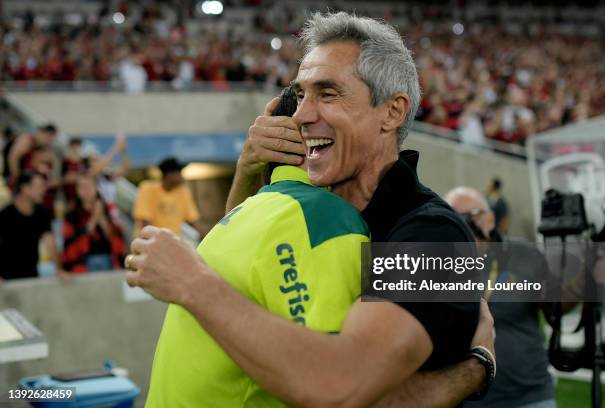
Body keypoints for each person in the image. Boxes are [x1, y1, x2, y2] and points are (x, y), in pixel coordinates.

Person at [127, 12, 491, 407]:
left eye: (327, 93)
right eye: (301, 95)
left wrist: (191, 281)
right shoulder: (314, 210)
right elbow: (248, 284)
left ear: (392, 111)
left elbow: (344, 388)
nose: (301, 115)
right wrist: (249, 168)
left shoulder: (435, 235)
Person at [445, 187, 556, 408]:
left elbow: (557, 309)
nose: (464, 223)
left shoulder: (524, 253)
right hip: (466, 398)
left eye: (472, 214)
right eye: (454, 217)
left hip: (529, 395)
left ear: (490, 219)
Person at [0, 171, 63, 280]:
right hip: (6, 279)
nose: (43, 190)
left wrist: (59, 269)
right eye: (38, 187)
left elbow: (50, 243)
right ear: (25, 188)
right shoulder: (5, 215)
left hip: (31, 275)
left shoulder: (42, 213)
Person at [62, 174, 125, 273]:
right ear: (77, 190)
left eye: (89, 186)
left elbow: (116, 237)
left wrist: (101, 218)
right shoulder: (72, 214)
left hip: (109, 258)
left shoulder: (109, 209)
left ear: (96, 188)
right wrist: (94, 218)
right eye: (82, 186)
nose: (86, 190)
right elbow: (72, 242)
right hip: (82, 262)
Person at [132, 157, 207, 237]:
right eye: (179, 173)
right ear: (169, 175)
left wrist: (207, 238)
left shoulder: (183, 192)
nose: (181, 177)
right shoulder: (147, 189)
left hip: (170, 243)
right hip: (149, 242)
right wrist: (152, 241)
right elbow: (144, 220)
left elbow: (194, 220)